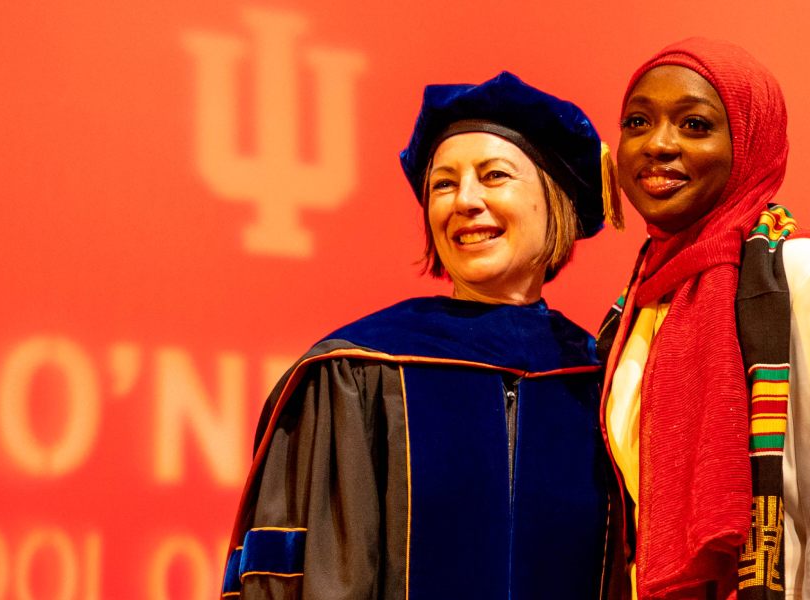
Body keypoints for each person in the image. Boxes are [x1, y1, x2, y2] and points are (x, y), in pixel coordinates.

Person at [220, 72, 627, 600]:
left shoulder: (601, 383)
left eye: (494, 175)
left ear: (556, 200)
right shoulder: (357, 373)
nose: (465, 201)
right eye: (443, 184)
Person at [597, 38, 810, 600]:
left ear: (750, 140)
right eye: (638, 121)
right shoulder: (639, 303)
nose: (658, 144)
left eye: (694, 125)